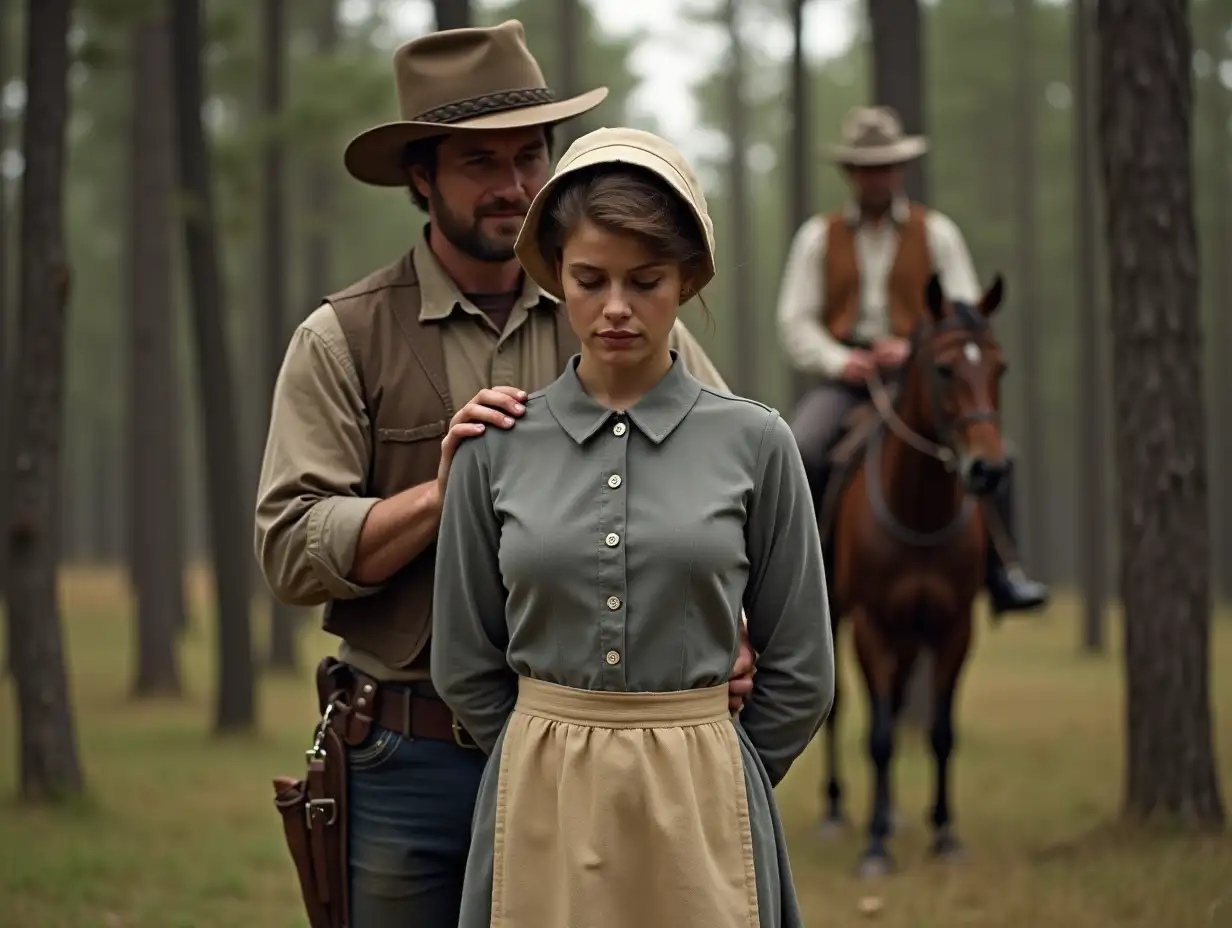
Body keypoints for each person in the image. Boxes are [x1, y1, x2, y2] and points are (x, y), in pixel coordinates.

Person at [253, 21, 755, 928]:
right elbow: (289, 549)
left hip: (588, 757)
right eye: (480, 164)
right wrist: (443, 497)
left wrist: (739, 624)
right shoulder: (341, 337)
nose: (515, 187)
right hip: (410, 756)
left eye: (530, 156)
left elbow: (725, 481)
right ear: (421, 176)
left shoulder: (617, 305)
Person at [431, 126, 835, 928]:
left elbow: (803, 668)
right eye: (590, 279)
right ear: (555, 280)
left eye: (645, 280)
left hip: (705, 801)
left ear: (686, 280)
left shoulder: (757, 443)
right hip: (540, 800)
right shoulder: (494, 447)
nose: (616, 307)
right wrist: (537, 755)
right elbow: (464, 660)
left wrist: (726, 769)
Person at [775, 104, 1049, 618]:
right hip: (848, 382)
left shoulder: (937, 233)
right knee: (802, 446)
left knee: (997, 455)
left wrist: (913, 349)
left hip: (926, 379)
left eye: (885, 165)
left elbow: (965, 314)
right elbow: (795, 320)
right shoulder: (819, 236)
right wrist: (841, 361)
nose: (876, 176)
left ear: (899, 169)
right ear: (850, 172)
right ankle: (798, 580)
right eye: (866, 166)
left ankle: (1004, 570)